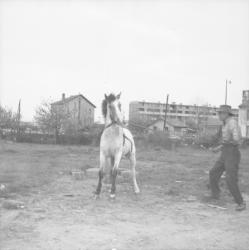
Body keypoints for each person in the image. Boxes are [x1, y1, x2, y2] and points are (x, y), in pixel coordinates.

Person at [208, 104, 246, 211]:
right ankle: (216, 195)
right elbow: (227, 142)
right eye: (218, 113)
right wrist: (219, 148)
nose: (218, 115)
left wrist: (225, 145)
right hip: (225, 153)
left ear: (226, 114)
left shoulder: (232, 122)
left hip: (232, 154)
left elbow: (237, 139)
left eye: (220, 113)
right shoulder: (224, 124)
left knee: (230, 179)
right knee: (213, 172)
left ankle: (241, 203)